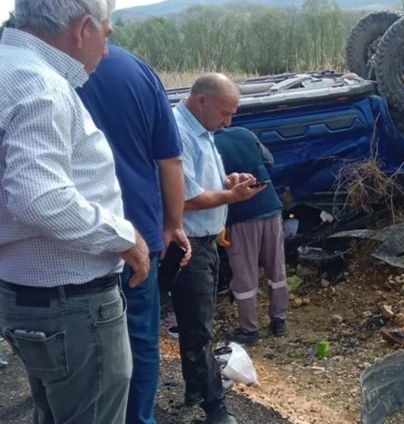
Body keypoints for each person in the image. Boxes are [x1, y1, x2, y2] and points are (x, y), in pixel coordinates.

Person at [0, 0, 151, 423]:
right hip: (71, 304)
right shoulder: (39, 83)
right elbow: (40, 198)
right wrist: (124, 237)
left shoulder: (8, 68)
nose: (106, 49)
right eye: (106, 34)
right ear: (83, 28)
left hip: (26, 292)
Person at [76, 42, 191, 424]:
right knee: (140, 340)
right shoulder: (137, 70)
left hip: (71, 237)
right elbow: (170, 160)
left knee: (78, 352)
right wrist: (174, 224)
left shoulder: (37, 68)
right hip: (138, 234)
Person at [173, 73, 264, 424]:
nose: (229, 122)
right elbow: (185, 198)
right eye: (225, 113)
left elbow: (200, 183)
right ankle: (216, 409)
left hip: (206, 242)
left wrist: (228, 182)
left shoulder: (203, 129)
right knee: (198, 330)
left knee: (197, 324)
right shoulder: (180, 132)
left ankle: (195, 390)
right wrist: (231, 196)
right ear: (202, 101)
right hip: (189, 245)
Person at [214, 127, 288, 346]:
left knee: (244, 274)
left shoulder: (208, 145)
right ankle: (279, 321)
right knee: (276, 268)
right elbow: (269, 161)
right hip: (270, 207)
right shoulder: (245, 133)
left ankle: (249, 330)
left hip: (241, 215)